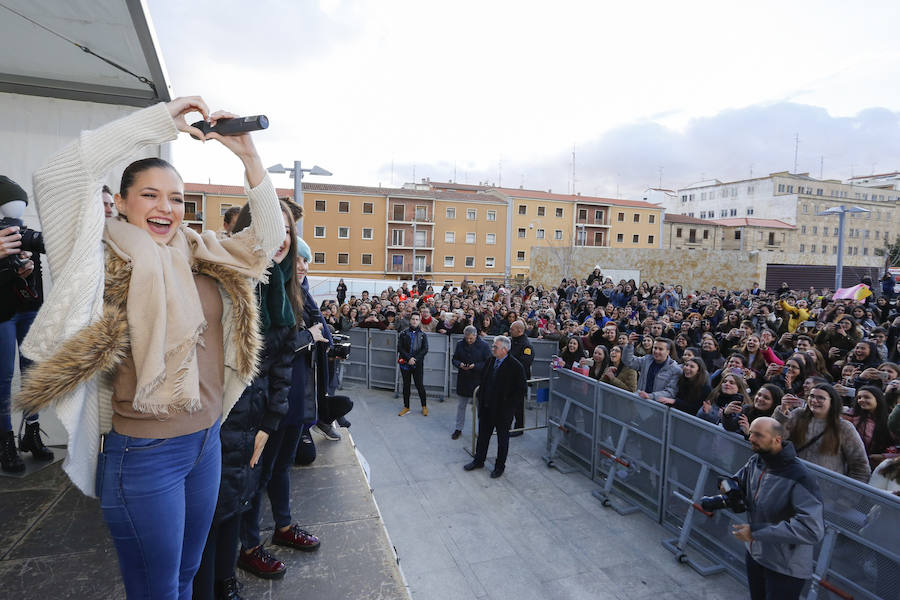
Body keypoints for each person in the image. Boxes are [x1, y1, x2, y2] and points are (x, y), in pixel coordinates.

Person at [18, 97, 285, 599]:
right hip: (144, 453)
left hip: (205, 440)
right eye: (150, 195)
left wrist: (249, 158)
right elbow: (56, 178)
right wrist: (158, 121)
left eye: (177, 198)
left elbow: (267, 241)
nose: (166, 208)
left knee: (185, 579)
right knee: (158, 590)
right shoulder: (95, 256)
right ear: (120, 202)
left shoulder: (200, 251)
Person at [196, 200, 301, 594]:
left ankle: (225, 584)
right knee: (211, 514)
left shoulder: (284, 289)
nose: (282, 240)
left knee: (234, 508)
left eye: (287, 231)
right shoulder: (227, 279)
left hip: (252, 425)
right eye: (273, 230)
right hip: (217, 419)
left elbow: (281, 369)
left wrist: (269, 425)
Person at [729, 417, 825, 600]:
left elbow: (812, 529)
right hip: (756, 554)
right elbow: (737, 481)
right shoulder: (756, 460)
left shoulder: (800, 476)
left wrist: (756, 532)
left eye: (758, 435)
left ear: (777, 439)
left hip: (785, 567)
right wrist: (728, 490)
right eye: (751, 434)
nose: (751, 439)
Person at [0, 176, 52, 472]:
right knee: (4, 378)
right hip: (2, 314)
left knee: (32, 375)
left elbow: (46, 248)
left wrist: (28, 267)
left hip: (29, 309)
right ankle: (5, 441)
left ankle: (31, 433)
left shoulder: (22, 234)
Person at [773, 382, 871, 482]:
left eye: (820, 398)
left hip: (825, 490)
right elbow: (775, 439)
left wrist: (847, 495)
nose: (814, 401)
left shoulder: (844, 427)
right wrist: (783, 412)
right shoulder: (798, 415)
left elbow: (860, 466)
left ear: (831, 402)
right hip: (792, 480)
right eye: (812, 396)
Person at [463, 335, 526, 478]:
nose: (492, 349)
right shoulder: (491, 361)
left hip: (503, 413)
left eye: (495, 347)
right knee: (483, 437)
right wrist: (480, 400)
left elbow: (521, 390)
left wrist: (509, 408)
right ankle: (479, 460)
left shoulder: (515, 366)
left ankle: (499, 466)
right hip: (486, 408)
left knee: (502, 441)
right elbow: (484, 381)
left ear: (504, 349)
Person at [451, 325, 491, 439]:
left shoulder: (484, 345)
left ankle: (481, 430)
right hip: (463, 379)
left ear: (475, 336)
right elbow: (454, 359)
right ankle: (458, 428)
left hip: (478, 380)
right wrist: (460, 364)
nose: (468, 341)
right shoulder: (460, 344)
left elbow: (488, 363)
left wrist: (475, 366)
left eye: (471, 339)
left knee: (479, 407)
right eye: (466, 338)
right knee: (461, 406)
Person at [622, 334, 681, 401]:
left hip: (658, 406)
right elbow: (628, 361)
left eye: (660, 349)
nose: (656, 351)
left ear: (668, 352)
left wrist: (651, 396)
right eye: (655, 348)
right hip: (640, 400)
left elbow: (670, 392)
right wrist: (629, 345)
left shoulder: (676, 370)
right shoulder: (646, 360)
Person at [398, 312, 429, 416]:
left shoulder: (423, 335)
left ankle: (424, 406)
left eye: (416, 319)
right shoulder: (403, 333)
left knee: (419, 385)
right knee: (406, 385)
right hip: (405, 364)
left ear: (419, 321)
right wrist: (408, 358)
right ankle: (406, 407)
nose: (414, 321)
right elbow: (400, 348)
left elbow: (425, 349)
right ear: (410, 320)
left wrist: (415, 359)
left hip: (417, 364)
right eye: (413, 319)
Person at [508, 320, 533, 436]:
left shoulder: (526, 345)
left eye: (512, 329)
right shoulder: (513, 341)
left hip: (518, 379)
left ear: (519, 330)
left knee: (518, 406)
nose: (510, 331)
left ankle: (519, 428)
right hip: (510, 378)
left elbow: (525, 363)